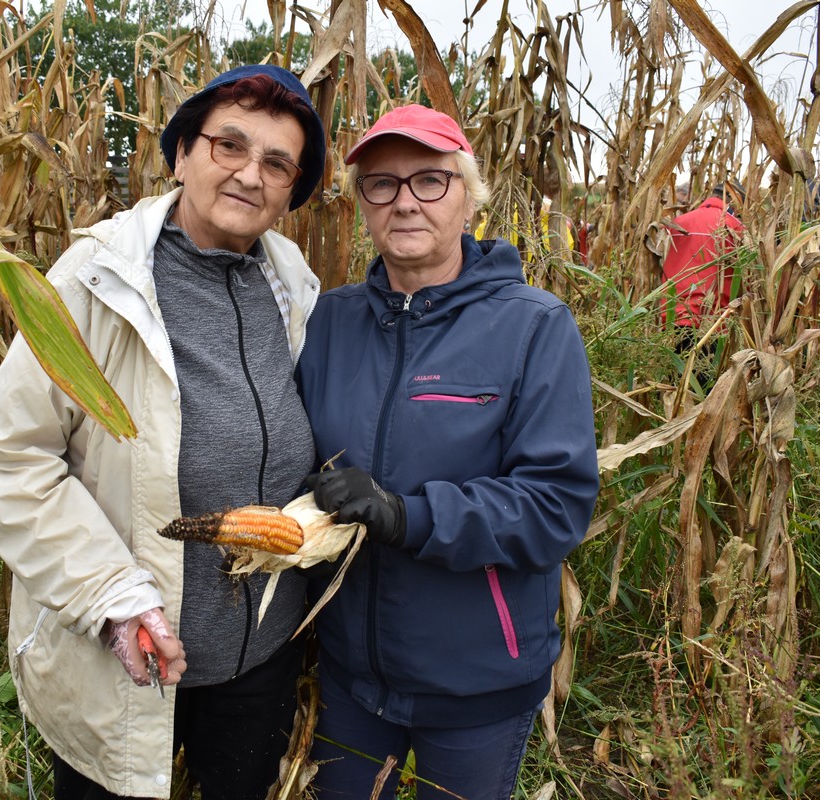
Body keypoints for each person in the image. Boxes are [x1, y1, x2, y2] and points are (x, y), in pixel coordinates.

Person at [0, 64, 326, 800]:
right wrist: (113, 598)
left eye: (277, 164)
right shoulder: (96, 280)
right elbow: (11, 452)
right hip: (130, 646)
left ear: (292, 193)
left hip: (261, 656)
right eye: (229, 146)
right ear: (181, 153)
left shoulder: (291, 281)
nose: (250, 175)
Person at [295, 104, 599, 799]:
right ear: (362, 204)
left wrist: (407, 516)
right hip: (349, 675)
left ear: (468, 194)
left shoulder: (534, 326)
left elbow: (555, 505)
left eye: (429, 180)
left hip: (477, 684)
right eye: (381, 183)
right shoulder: (332, 321)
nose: (404, 201)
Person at [660, 181, 746, 354]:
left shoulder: (676, 223)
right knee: (705, 379)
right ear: (736, 202)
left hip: (672, 319)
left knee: (672, 379)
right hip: (712, 326)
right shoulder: (735, 228)